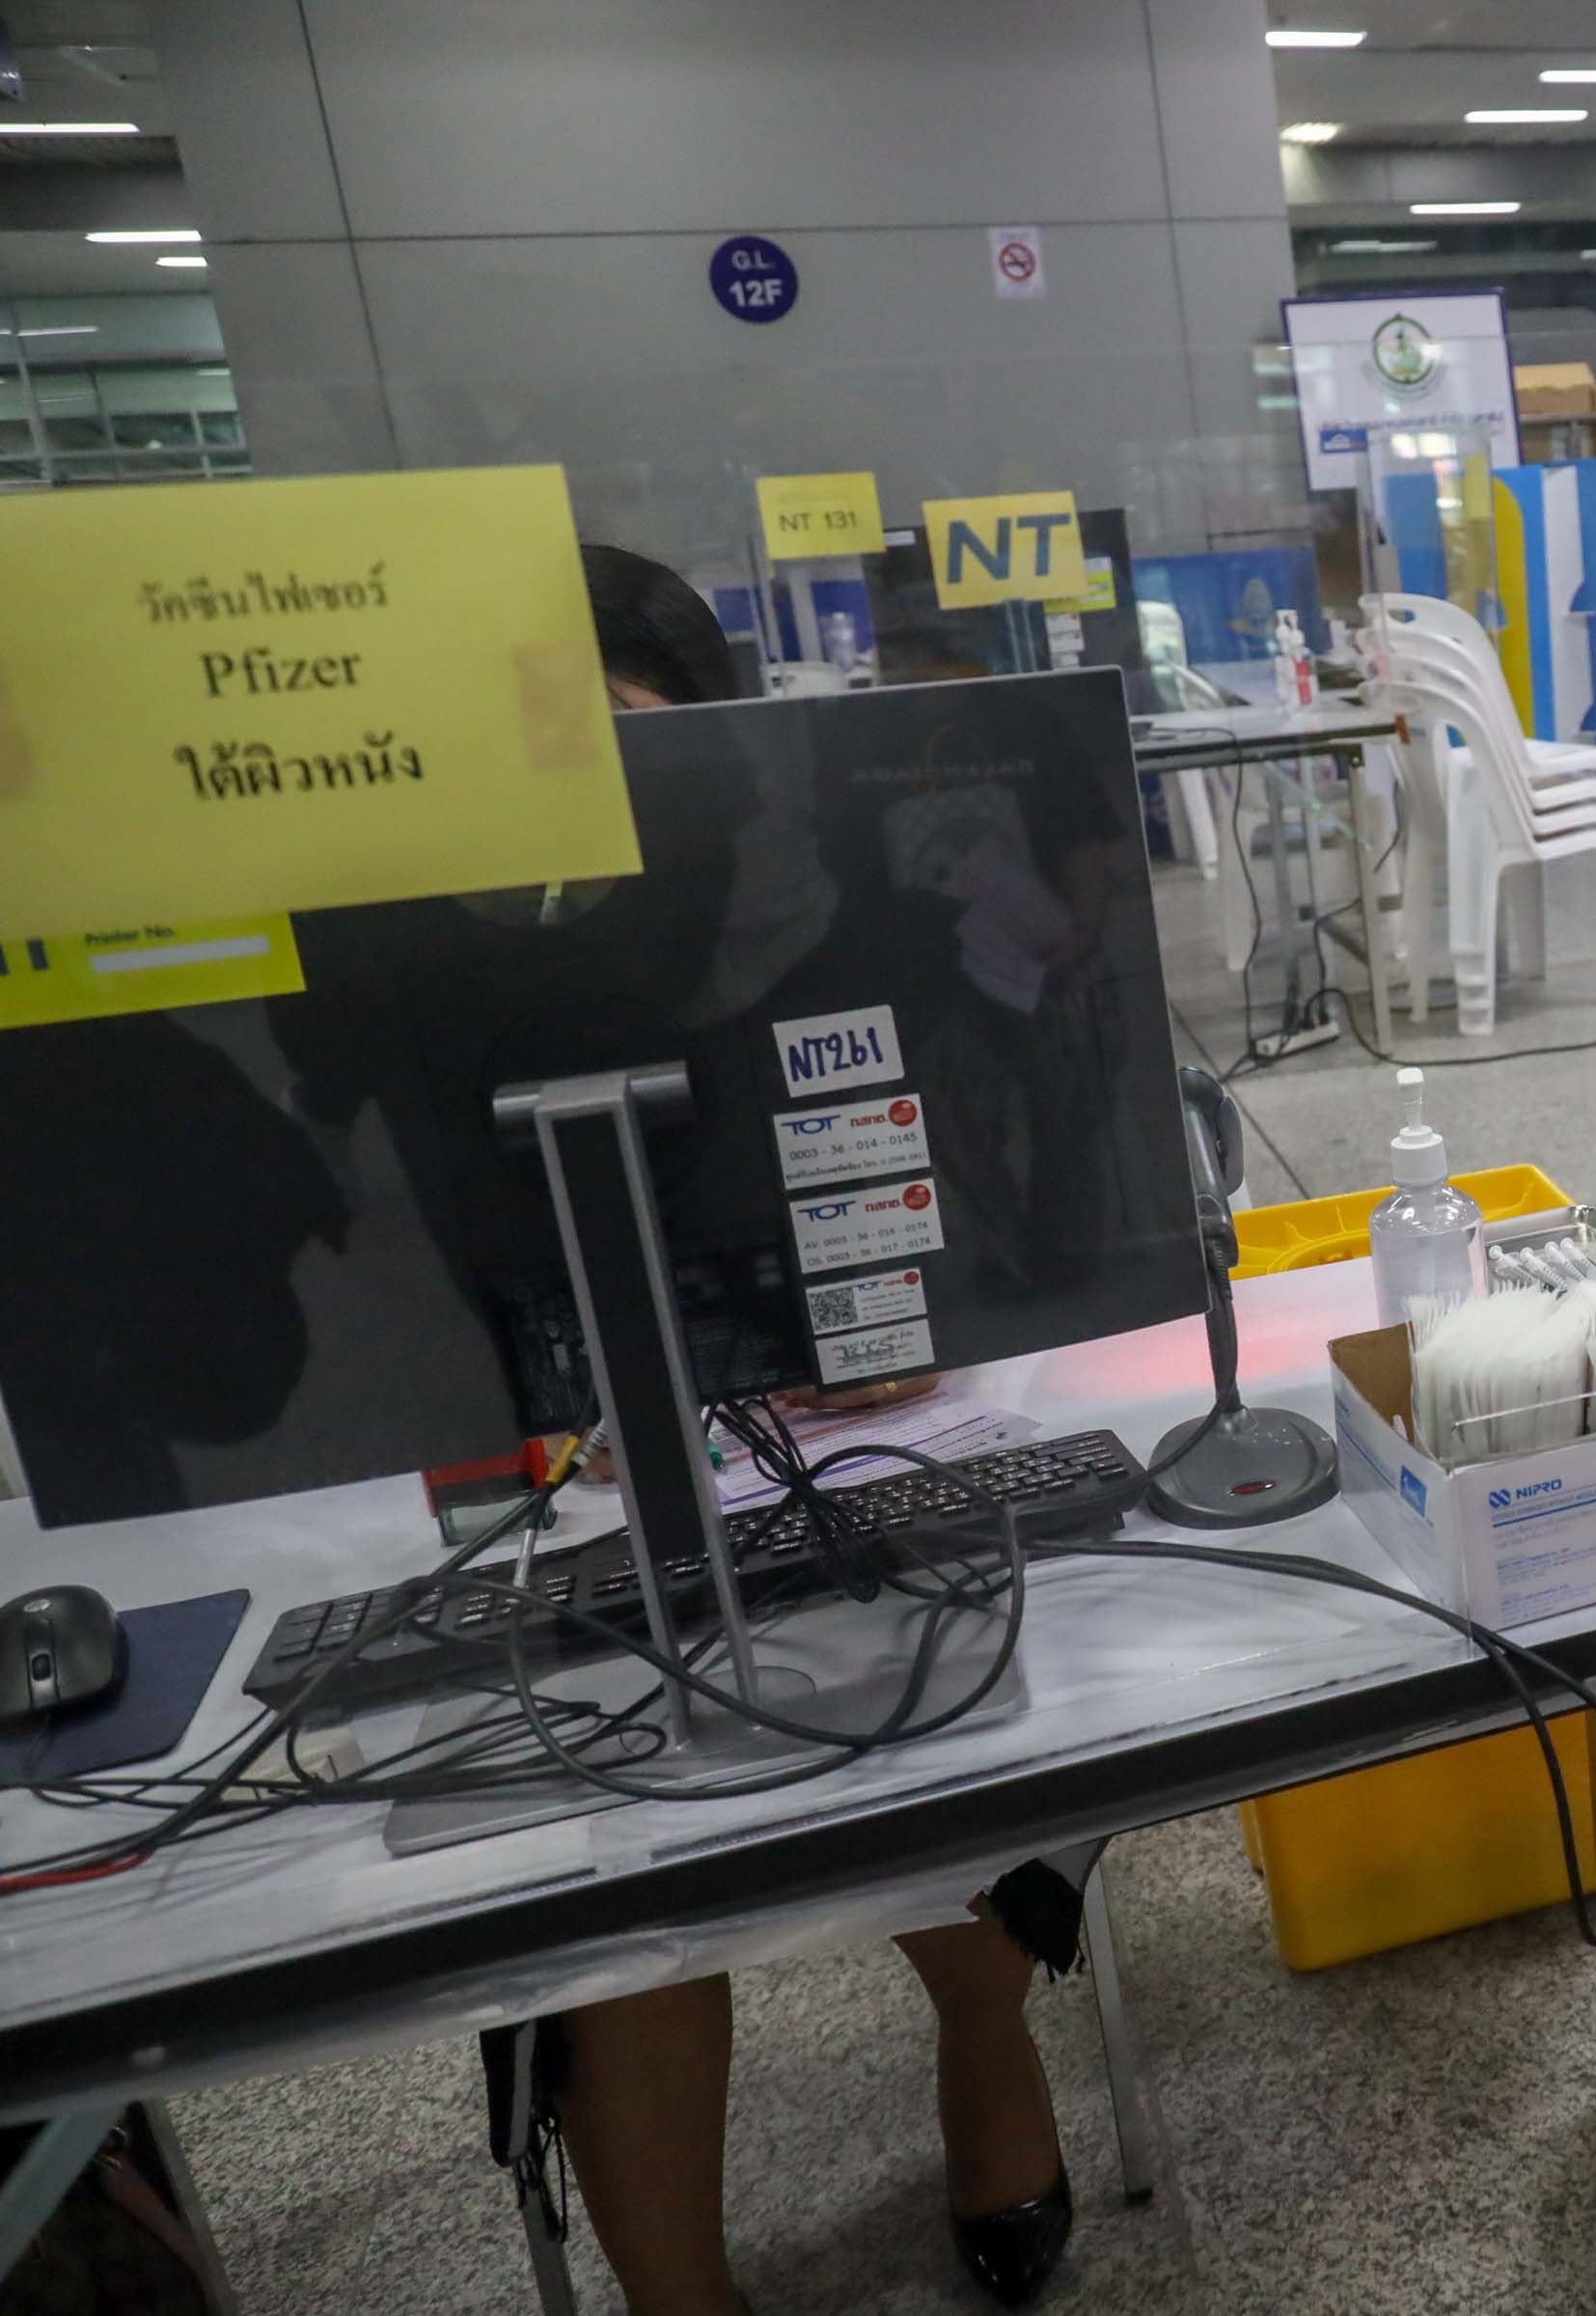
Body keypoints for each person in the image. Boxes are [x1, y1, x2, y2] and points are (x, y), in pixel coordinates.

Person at [501, 547, 1099, 2316]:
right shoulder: (430, 969)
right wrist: (568, 1401)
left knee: (932, 1667)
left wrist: (906, 1312)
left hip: (866, 1424)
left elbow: (1020, 1193)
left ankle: (994, 2056)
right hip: (583, 1471)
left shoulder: (839, 918)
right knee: (608, 1843)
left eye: (636, 750)